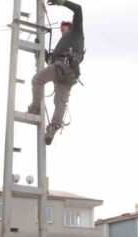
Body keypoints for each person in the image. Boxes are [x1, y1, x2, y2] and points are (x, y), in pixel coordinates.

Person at [27, 0, 84, 145]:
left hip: (64, 67)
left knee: (37, 80)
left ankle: (34, 108)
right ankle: (52, 130)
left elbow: (78, 9)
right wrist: (41, 52)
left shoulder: (76, 33)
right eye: (62, 29)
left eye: (64, 28)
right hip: (69, 74)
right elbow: (51, 61)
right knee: (60, 103)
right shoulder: (62, 46)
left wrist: (62, 2)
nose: (62, 30)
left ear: (71, 27)